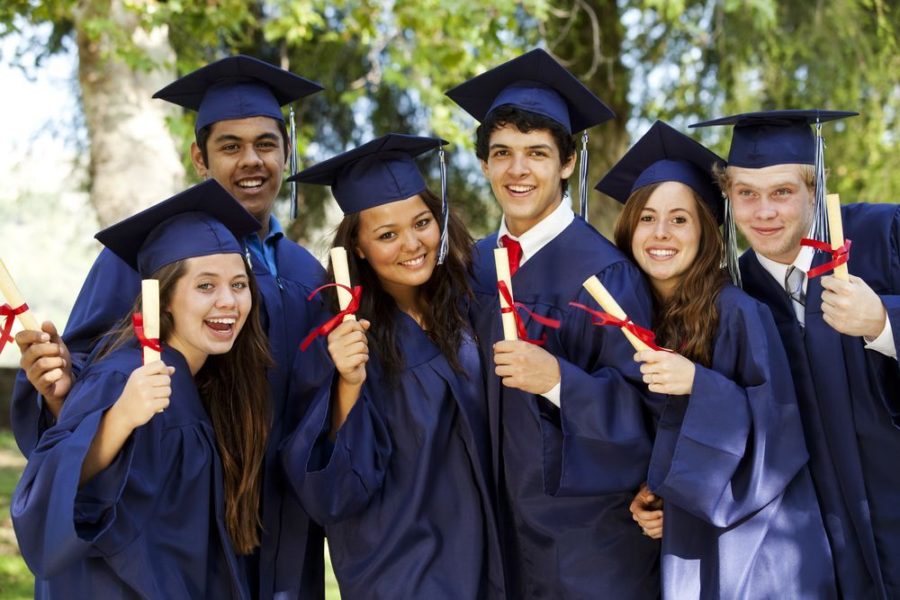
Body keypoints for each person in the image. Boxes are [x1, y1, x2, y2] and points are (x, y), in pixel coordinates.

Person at [12, 55, 328, 600]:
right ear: (199, 159)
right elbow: (89, 380)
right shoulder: (143, 258)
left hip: (279, 519)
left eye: (266, 144)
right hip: (171, 519)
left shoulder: (305, 272)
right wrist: (60, 389)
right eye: (230, 146)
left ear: (286, 151)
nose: (251, 161)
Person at [446, 49, 659, 598]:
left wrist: (560, 381)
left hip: (586, 550)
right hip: (491, 537)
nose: (518, 171)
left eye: (537, 154)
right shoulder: (469, 266)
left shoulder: (607, 273)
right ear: (486, 163)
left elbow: (647, 410)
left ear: (567, 162)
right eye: (503, 153)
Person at [599, 120, 836, 598]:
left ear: (707, 229)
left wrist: (698, 383)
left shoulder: (737, 311)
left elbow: (779, 433)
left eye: (680, 219)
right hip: (687, 540)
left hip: (761, 552)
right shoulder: (628, 317)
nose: (660, 233)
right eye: (647, 217)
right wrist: (658, 495)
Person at [12, 180, 269, 598]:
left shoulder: (200, 377)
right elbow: (48, 502)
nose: (229, 301)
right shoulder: (122, 376)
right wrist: (120, 418)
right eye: (205, 286)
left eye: (239, 285)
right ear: (163, 298)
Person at [281, 133, 504, 599]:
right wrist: (347, 382)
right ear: (358, 247)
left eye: (422, 222)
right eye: (386, 235)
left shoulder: (467, 303)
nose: (412, 244)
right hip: (399, 567)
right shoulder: (340, 334)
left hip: (483, 555)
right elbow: (332, 492)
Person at [688, 109, 900, 599]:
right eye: (747, 193)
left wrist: (885, 322)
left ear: (813, 187)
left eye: (782, 192)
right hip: (817, 558)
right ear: (728, 197)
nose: (764, 212)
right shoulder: (732, 298)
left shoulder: (881, 237)